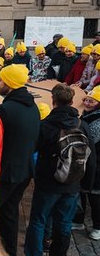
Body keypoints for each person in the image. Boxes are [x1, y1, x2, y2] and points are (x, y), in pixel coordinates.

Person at [25, 83, 96, 256]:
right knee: (64, 223)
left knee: (38, 221)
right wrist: (86, 185)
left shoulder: (46, 125)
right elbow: (91, 158)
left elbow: (31, 150)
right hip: (72, 184)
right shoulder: (81, 125)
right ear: (72, 101)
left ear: (53, 100)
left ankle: (34, 252)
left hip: (48, 182)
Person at [0, 64, 40, 256]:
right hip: (24, 171)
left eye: (1, 80)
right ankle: (9, 251)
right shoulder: (33, 107)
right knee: (9, 214)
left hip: (7, 172)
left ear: (10, 84)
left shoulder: (5, 109)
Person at [72, 86, 100, 239]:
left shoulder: (97, 120)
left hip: (96, 164)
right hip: (85, 161)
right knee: (81, 191)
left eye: (92, 101)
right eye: (87, 100)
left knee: (95, 197)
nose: (87, 103)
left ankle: (97, 227)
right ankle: (78, 220)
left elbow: (90, 140)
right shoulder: (87, 115)